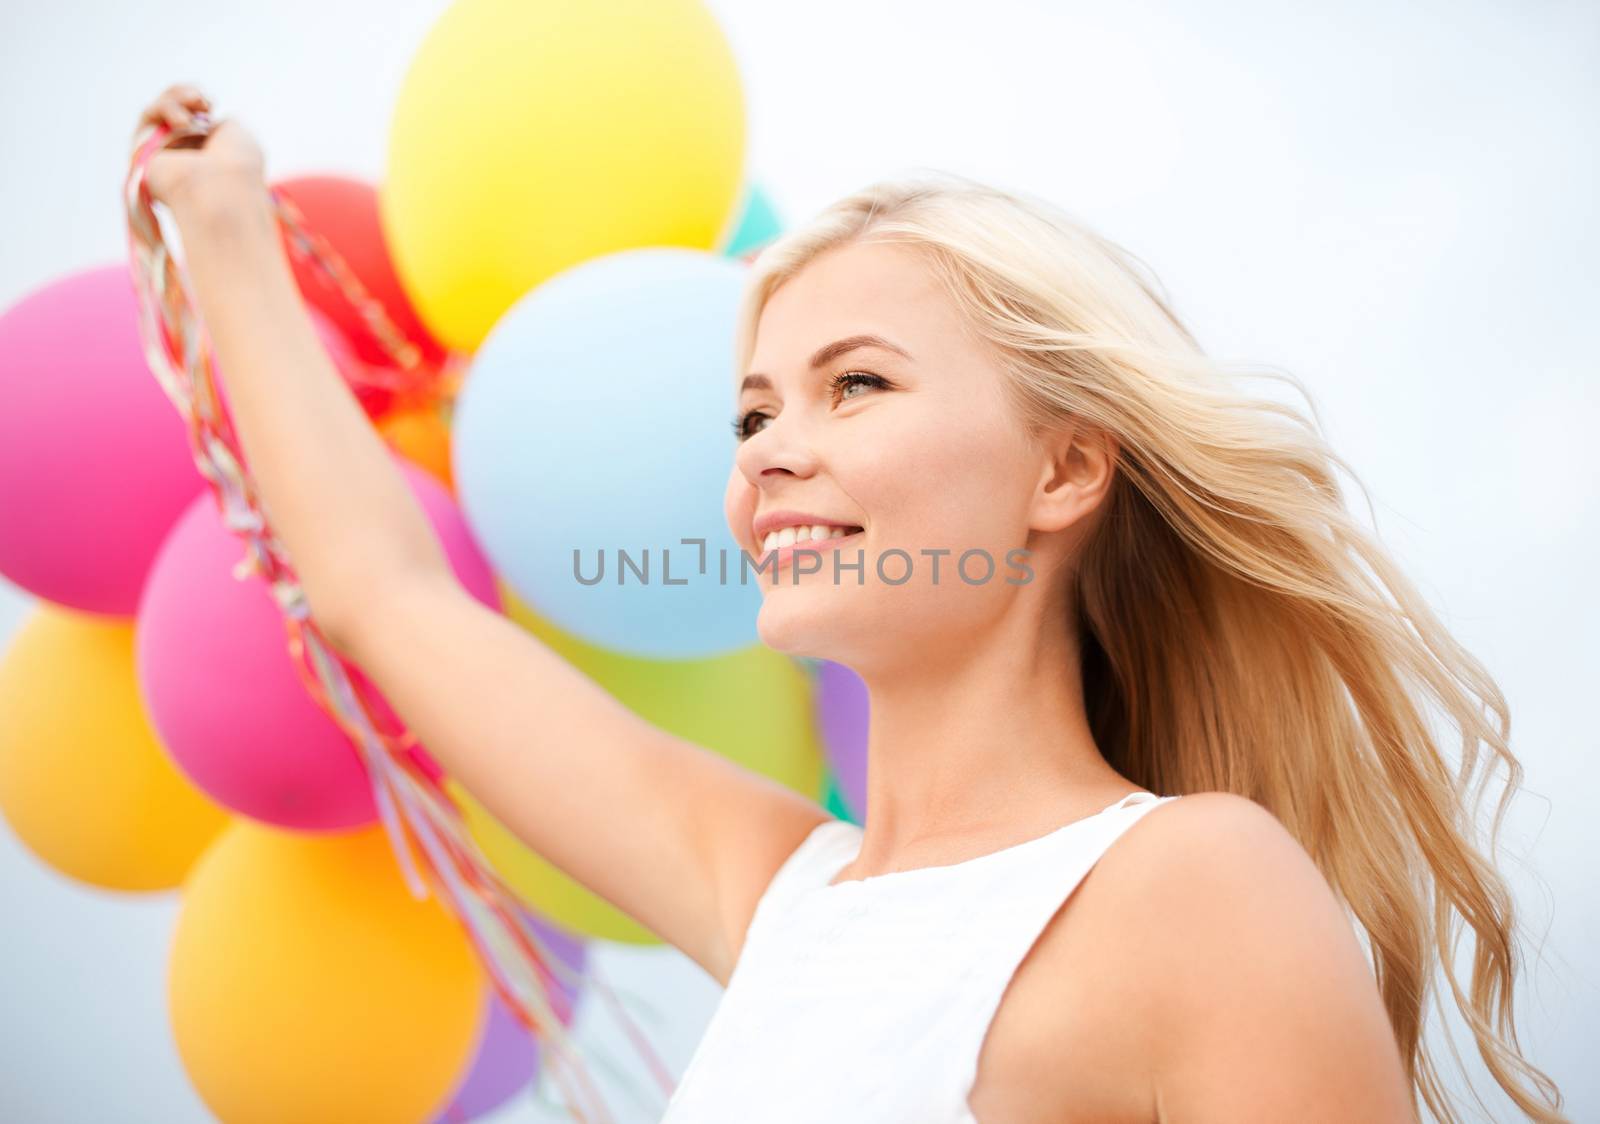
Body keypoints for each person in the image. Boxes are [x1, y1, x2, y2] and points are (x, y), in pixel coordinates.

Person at [134, 84, 1567, 1123]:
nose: (768, 450)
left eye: (856, 385)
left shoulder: (1199, 886)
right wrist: (225, 228)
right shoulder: (776, 898)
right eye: (752, 412)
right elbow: (388, 598)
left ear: (1064, 469)